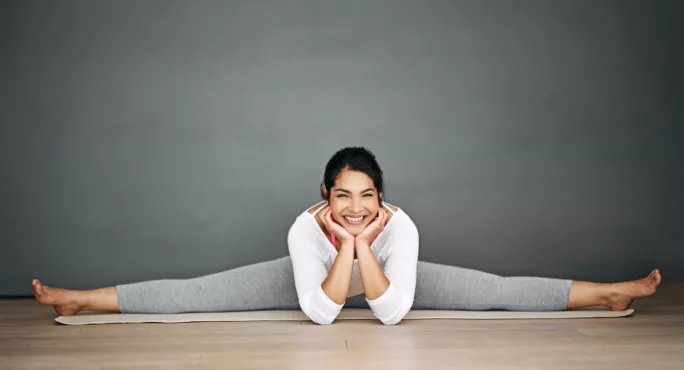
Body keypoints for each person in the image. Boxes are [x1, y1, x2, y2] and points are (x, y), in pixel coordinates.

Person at [32, 146, 662, 325]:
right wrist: (344, 244)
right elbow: (323, 314)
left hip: (392, 280)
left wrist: (362, 244)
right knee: (200, 291)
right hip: (318, 279)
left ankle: (609, 294)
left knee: (495, 289)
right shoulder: (304, 230)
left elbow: (391, 314)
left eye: (367, 197)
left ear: (381, 199)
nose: (356, 207)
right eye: (343, 197)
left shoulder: (402, 226)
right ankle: (80, 300)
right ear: (326, 198)